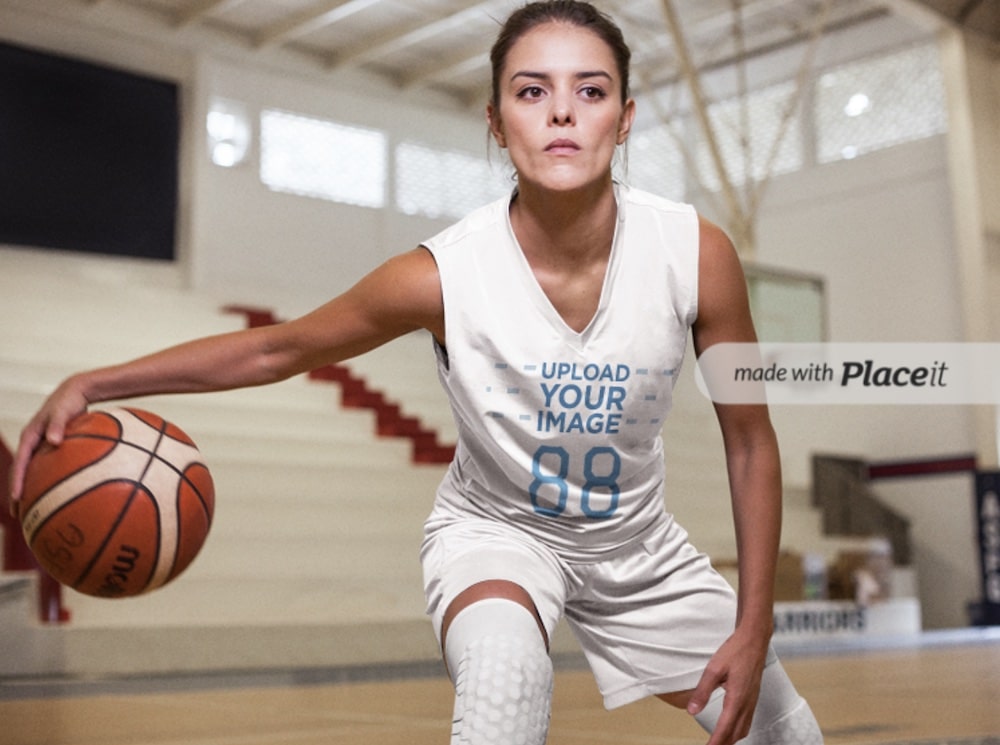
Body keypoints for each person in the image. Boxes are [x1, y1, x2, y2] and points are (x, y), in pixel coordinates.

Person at [9, 2, 823, 743]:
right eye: (532, 92)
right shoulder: (439, 275)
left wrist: (754, 624)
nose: (564, 111)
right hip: (498, 536)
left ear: (626, 117)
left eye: (592, 90)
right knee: (506, 684)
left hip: (637, 547)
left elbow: (750, 443)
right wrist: (99, 382)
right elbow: (277, 348)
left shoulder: (695, 254)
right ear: (498, 124)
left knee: (788, 736)